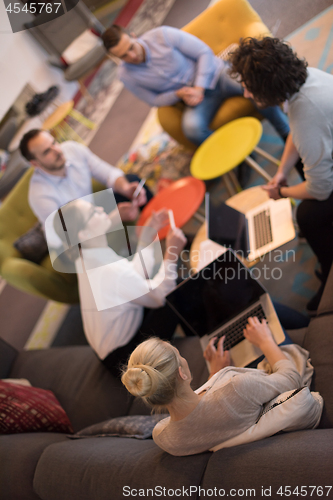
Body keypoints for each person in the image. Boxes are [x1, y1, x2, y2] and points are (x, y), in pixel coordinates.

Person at [229, 37, 333, 313]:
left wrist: (281, 193)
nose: (245, 94)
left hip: (324, 157)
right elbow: (297, 136)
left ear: (267, 87)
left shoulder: (307, 115)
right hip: (323, 141)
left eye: (248, 87)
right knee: (302, 171)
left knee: (308, 214)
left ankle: (329, 267)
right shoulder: (303, 80)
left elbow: (321, 189)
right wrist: (281, 172)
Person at [121, 317, 313, 456]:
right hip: (274, 378)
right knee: (271, 317)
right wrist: (265, 340)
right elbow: (291, 379)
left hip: (246, 395)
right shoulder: (236, 387)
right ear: (182, 373)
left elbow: (204, 417)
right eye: (180, 354)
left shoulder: (165, 438)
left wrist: (214, 375)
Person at [54, 201, 188, 376]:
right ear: (84, 234)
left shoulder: (86, 254)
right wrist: (171, 253)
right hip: (127, 359)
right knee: (178, 289)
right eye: (94, 211)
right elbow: (159, 296)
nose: (102, 208)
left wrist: (146, 238)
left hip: (110, 347)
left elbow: (132, 276)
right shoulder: (106, 270)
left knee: (169, 282)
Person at [102, 25, 290, 146]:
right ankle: (242, 155)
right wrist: (179, 93)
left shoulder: (162, 35)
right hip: (194, 100)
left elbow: (203, 52)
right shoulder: (125, 75)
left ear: (134, 35)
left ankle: (285, 132)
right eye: (123, 56)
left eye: (131, 48)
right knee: (192, 130)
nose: (131, 56)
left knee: (255, 87)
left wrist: (199, 87)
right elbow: (152, 99)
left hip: (217, 75)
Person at [19, 129, 152, 247]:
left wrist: (126, 188)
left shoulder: (71, 149)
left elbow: (108, 174)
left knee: (132, 181)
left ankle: (159, 220)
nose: (57, 150)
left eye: (54, 142)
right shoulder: (40, 196)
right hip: (79, 235)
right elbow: (70, 240)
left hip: (94, 210)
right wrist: (114, 218)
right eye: (47, 151)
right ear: (35, 163)